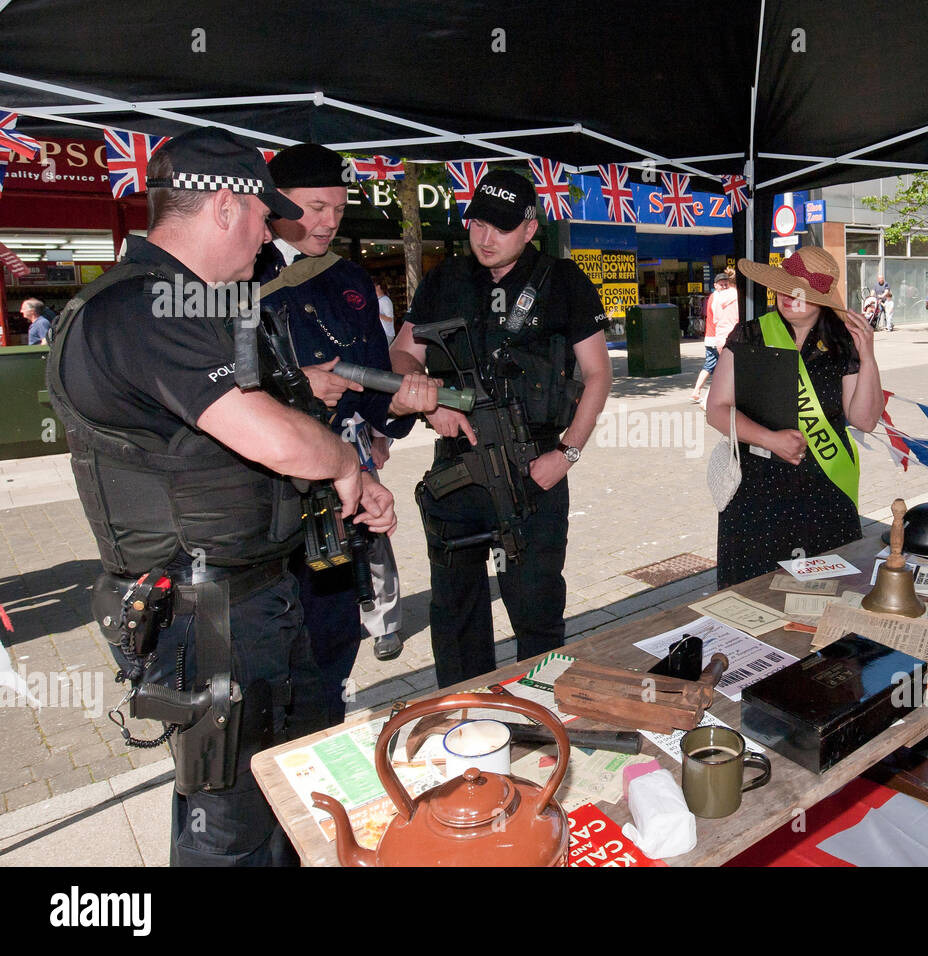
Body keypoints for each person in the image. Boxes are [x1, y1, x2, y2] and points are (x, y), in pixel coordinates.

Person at [46, 127, 397, 866]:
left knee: (286, 794)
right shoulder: (140, 309)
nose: (270, 235)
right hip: (207, 615)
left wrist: (345, 482)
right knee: (232, 825)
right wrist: (341, 462)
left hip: (257, 596)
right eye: (266, 217)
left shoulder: (198, 305)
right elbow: (267, 435)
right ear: (227, 208)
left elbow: (251, 440)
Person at [391, 170, 613, 687]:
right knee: (456, 613)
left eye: (503, 227)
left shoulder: (563, 282)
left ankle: (540, 717)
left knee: (537, 611)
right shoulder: (445, 280)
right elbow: (403, 351)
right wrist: (427, 399)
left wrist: (567, 454)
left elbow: (598, 374)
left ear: (530, 228)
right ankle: (468, 720)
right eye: (478, 224)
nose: (486, 238)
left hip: (534, 468)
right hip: (457, 461)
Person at [255, 143, 432, 717]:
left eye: (337, 207)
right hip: (261, 492)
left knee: (331, 638)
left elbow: (376, 388)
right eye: (314, 207)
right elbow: (207, 392)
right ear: (273, 204)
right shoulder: (235, 274)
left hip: (339, 493)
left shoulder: (350, 280)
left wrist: (404, 403)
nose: (330, 221)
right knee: (270, 647)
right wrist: (299, 385)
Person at [707, 246, 883, 588]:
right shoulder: (750, 335)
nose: (788, 296)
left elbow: (864, 420)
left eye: (800, 291)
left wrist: (868, 356)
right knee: (753, 592)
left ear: (820, 299)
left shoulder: (842, 343)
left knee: (826, 593)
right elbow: (716, 409)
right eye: (784, 285)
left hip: (825, 488)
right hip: (757, 487)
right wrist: (770, 439)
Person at [691, 267, 738, 403]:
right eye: (721, 284)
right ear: (715, 285)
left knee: (712, 367)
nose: (723, 286)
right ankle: (705, 398)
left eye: (725, 284)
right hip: (718, 336)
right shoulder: (721, 296)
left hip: (714, 337)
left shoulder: (714, 297)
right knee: (719, 369)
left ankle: (698, 391)